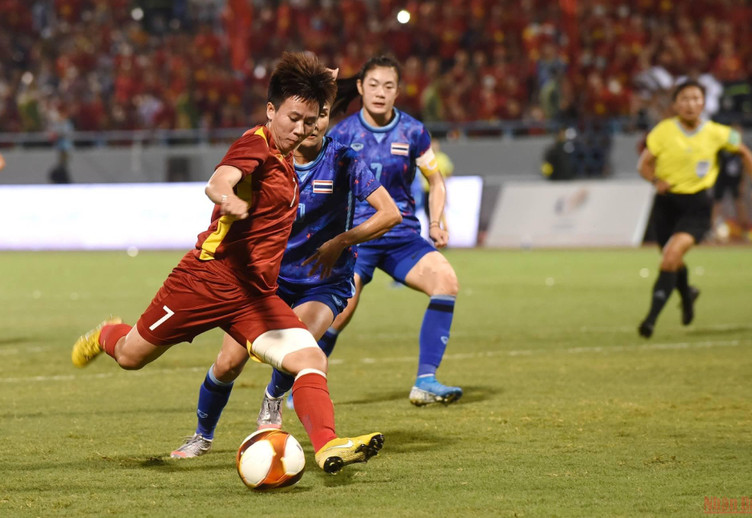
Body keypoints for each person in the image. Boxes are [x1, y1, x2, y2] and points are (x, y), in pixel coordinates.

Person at [71, 52, 383, 475]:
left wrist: (321, 81)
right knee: (131, 356)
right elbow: (219, 180)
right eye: (293, 118)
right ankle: (108, 333)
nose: (300, 129)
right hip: (205, 280)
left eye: (309, 121)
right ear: (271, 111)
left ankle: (328, 445)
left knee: (311, 359)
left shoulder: (292, 161)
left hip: (255, 295)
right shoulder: (256, 143)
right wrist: (227, 197)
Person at [170, 96, 402, 458]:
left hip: (324, 280)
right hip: (267, 281)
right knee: (228, 363)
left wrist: (341, 241)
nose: (313, 125)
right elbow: (224, 182)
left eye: (322, 116)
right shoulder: (268, 156)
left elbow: (390, 213)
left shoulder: (344, 159)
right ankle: (202, 435)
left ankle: (273, 397)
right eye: (307, 117)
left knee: (301, 342)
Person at [321, 55, 463, 406]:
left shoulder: (413, 132)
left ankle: (426, 381)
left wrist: (435, 222)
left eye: (388, 86)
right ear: (360, 87)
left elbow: (436, 180)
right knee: (339, 311)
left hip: (401, 237)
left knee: (446, 282)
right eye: (373, 85)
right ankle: (301, 382)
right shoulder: (342, 134)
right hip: (358, 238)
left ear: (398, 91)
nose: (380, 92)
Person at [636, 80, 752, 338]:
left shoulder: (717, 132)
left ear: (704, 103)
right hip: (666, 204)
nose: (690, 104)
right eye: (684, 99)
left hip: (697, 206)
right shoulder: (662, 131)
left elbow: (745, 152)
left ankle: (650, 321)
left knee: (671, 255)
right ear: (675, 104)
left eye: (696, 98)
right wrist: (655, 180)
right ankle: (687, 294)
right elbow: (644, 165)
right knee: (671, 259)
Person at [712, 124, 749, 241]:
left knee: (739, 204)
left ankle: (744, 231)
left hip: (735, 180)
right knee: (716, 204)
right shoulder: (722, 148)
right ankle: (713, 230)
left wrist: (743, 182)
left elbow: (745, 166)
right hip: (721, 178)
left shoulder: (743, 149)